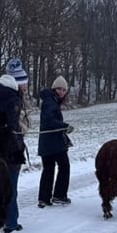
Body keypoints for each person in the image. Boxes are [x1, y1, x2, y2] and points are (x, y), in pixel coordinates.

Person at [0, 57, 28, 233]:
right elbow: (14, 128)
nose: (24, 87)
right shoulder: (13, 99)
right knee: (10, 187)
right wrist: (18, 148)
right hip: (10, 151)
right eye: (23, 84)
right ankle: (11, 222)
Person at [37, 75, 72, 208]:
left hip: (47, 143)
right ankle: (59, 195)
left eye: (64, 90)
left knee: (48, 169)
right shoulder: (51, 101)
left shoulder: (49, 100)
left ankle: (44, 198)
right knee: (64, 166)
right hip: (54, 143)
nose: (62, 92)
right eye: (59, 89)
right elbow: (49, 121)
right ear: (54, 89)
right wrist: (65, 126)